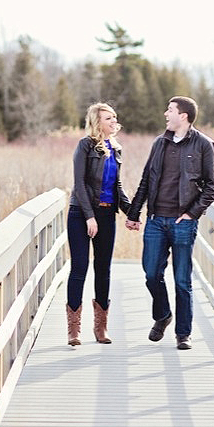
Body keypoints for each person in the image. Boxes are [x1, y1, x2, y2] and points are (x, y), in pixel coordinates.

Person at [125, 96, 214, 350]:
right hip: (156, 220)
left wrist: (192, 214)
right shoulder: (160, 143)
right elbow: (146, 179)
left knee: (181, 280)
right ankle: (163, 315)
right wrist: (134, 214)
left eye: (170, 110)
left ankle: (183, 334)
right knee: (151, 274)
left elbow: (212, 186)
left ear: (184, 116)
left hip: (182, 222)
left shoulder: (203, 145)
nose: (165, 114)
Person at [66, 102, 132, 346]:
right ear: (97, 122)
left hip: (106, 215)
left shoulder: (116, 149)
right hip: (80, 213)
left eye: (115, 117)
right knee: (80, 268)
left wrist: (132, 212)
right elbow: (79, 184)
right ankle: (74, 330)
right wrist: (88, 216)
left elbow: (117, 188)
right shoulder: (85, 145)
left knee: (103, 270)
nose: (114, 121)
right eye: (108, 118)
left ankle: (101, 328)